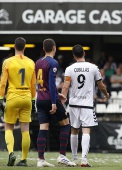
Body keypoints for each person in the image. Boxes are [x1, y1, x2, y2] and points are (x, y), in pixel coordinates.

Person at [61, 44, 109, 167]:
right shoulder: (93, 67)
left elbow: (66, 86)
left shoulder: (69, 69)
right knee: (86, 130)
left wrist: (62, 98)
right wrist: (106, 94)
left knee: (74, 130)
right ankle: (84, 160)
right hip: (87, 104)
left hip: (73, 104)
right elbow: (101, 85)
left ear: (73, 55)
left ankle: (75, 159)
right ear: (84, 53)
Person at [35, 38, 76, 167]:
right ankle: (62, 156)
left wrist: (55, 94)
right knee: (65, 124)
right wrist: (54, 101)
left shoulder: (38, 62)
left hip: (40, 98)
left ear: (43, 49)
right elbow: (52, 83)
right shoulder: (53, 62)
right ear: (54, 48)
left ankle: (41, 159)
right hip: (49, 99)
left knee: (43, 127)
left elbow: (43, 83)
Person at [0, 37, 36, 166]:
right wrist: (33, 100)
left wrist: (0, 98)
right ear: (25, 47)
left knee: (8, 127)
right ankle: (24, 159)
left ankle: (11, 153)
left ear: (14, 47)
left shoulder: (8, 62)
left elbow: (3, 83)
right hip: (27, 96)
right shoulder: (31, 63)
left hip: (13, 96)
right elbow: (33, 85)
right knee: (25, 129)